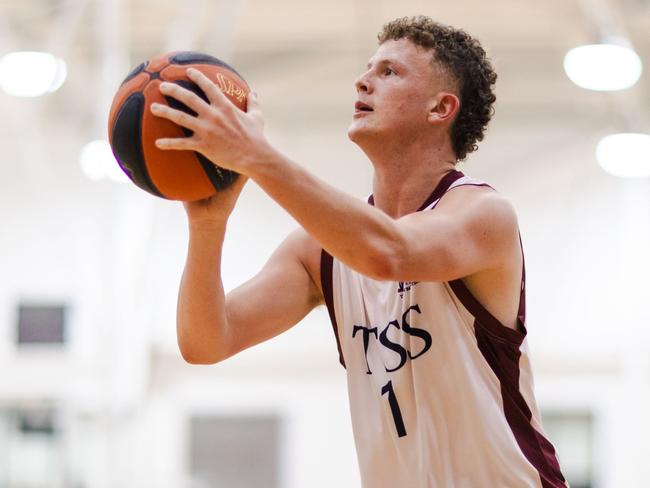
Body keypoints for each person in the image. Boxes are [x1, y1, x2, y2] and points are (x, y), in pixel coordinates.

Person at [151, 15, 567, 488]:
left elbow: (389, 254)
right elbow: (206, 342)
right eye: (369, 68)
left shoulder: (482, 213)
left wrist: (255, 157)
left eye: (389, 72)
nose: (363, 80)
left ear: (440, 108)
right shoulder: (320, 251)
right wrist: (208, 223)